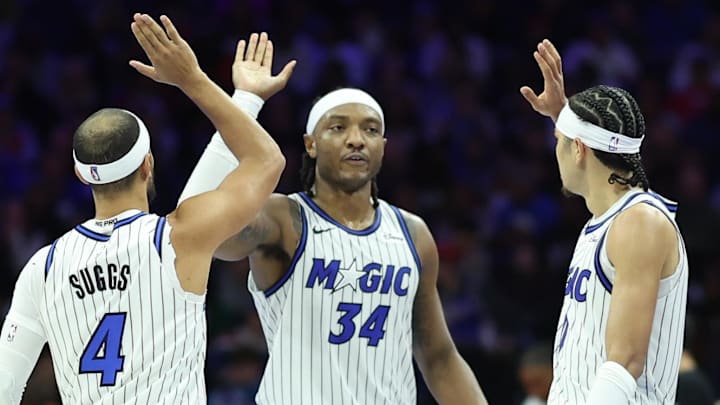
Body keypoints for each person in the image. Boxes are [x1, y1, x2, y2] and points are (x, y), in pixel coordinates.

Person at [177, 35, 488, 405]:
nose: (356, 139)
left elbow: (439, 358)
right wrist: (247, 100)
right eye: (338, 128)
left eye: (370, 130)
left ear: (384, 147)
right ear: (311, 144)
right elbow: (195, 225)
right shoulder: (284, 219)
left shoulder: (413, 233)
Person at [0, 14, 286, 404]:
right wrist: (195, 80)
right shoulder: (180, 237)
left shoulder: (41, 268)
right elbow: (265, 159)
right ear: (148, 164)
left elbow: (6, 386)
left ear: (81, 176)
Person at [521, 39, 689, 404]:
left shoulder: (640, 223)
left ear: (578, 149)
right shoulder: (611, 221)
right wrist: (563, 115)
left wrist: (568, 124)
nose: (556, 152)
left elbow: (625, 361)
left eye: (559, 141)